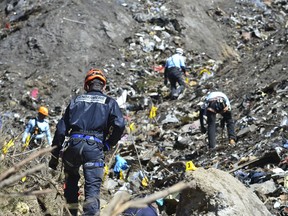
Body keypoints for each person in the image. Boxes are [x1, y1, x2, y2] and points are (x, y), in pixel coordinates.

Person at [48, 68, 125, 216]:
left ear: (86, 85)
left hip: (73, 146)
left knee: (70, 185)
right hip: (94, 148)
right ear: (103, 86)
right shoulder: (109, 102)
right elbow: (120, 125)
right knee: (92, 191)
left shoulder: (75, 101)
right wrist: (109, 144)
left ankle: (70, 213)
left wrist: (54, 158)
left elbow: (60, 131)